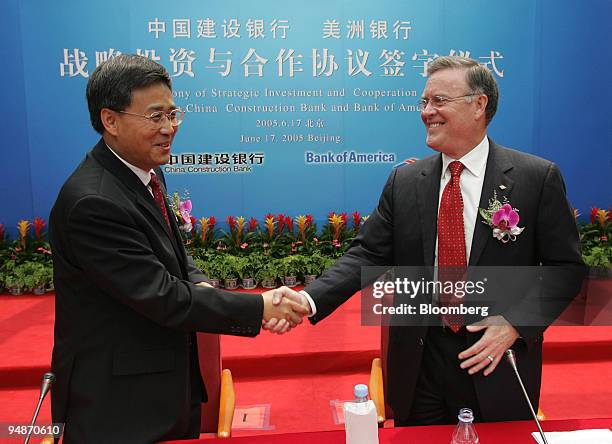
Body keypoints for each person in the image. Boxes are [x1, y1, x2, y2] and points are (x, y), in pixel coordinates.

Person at [266, 56, 584, 425]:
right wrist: (307, 299)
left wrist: (514, 323)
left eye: (439, 101)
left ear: (478, 104)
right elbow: (367, 254)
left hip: (495, 358)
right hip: (419, 364)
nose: (426, 112)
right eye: (424, 102)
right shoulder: (405, 181)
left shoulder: (535, 178)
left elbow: (566, 270)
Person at [49, 54, 307, 443]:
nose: (169, 128)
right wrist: (261, 307)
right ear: (110, 120)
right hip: (119, 407)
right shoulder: (93, 202)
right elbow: (161, 296)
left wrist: (200, 284)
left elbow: (175, 254)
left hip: (163, 387)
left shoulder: (145, 174)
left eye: (173, 114)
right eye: (155, 117)